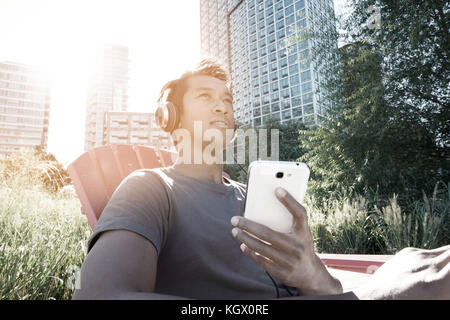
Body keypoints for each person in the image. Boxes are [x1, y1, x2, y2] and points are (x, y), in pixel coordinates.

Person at [72, 59, 449, 300]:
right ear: (170, 117)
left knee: (419, 259)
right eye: (205, 96)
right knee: (431, 281)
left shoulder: (254, 196)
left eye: (227, 99)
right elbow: (103, 294)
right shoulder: (151, 187)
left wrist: (313, 273)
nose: (223, 106)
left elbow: (322, 287)